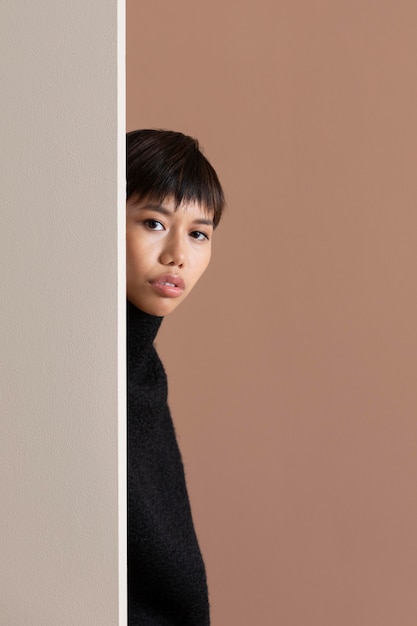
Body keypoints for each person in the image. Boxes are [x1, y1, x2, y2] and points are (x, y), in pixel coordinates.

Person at [126, 129, 225, 625]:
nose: (177, 255)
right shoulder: (80, 366)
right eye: (152, 222)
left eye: (198, 234)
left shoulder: (142, 369)